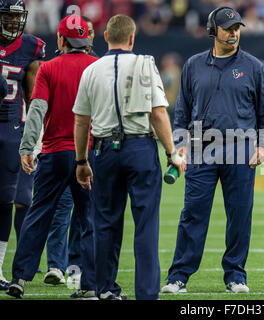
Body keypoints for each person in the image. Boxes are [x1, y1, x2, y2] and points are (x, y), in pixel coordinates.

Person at [160, 7, 264, 294]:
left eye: (237, 28)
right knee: (193, 213)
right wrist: (179, 147)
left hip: (241, 149)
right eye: (228, 28)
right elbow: (182, 113)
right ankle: (179, 276)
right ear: (213, 30)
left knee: (239, 215)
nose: (234, 32)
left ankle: (236, 276)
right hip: (201, 149)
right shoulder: (192, 65)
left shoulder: (254, 66)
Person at [73, 14, 186, 300]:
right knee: (146, 225)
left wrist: (81, 161)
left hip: (102, 150)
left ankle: (105, 289)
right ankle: (146, 295)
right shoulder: (145, 64)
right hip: (139, 149)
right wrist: (172, 153)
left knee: (105, 224)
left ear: (106, 37)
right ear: (132, 38)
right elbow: (158, 113)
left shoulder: (92, 70)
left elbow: (81, 121)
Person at [6, 14, 98, 299]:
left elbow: (37, 110)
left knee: (38, 214)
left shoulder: (48, 68)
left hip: (55, 152)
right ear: (86, 39)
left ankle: (20, 278)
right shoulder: (98, 67)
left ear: (61, 39)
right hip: (89, 154)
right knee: (89, 218)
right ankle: (89, 284)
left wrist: (26, 147)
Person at [42, 14, 98, 287]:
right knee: (68, 212)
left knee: (77, 215)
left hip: (80, 150)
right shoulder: (91, 66)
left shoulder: (94, 66)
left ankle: (70, 268)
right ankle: (57, 265)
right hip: (73, 148)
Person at [0, 0, 45, 291]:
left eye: (17, 17)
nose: (13, 22)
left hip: (11, 129)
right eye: (8, 16)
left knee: (7, 200)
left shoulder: (30, 47)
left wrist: (34, 137)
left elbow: (33, 94)